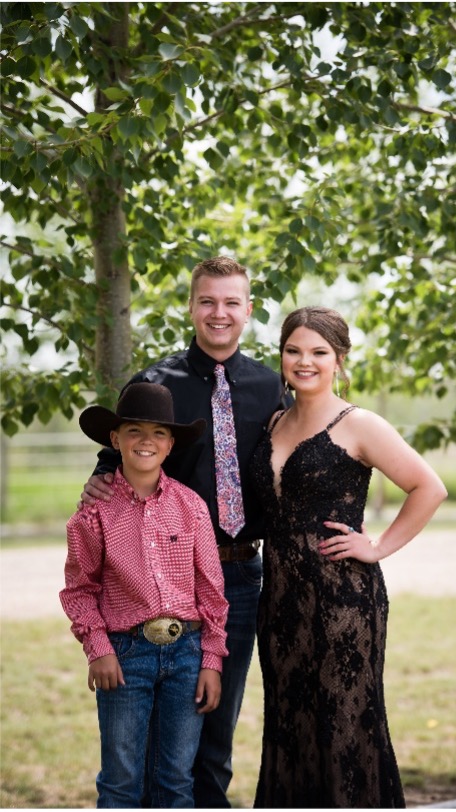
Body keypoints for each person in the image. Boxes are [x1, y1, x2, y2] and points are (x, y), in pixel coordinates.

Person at [79, 256, 292, 808]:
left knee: (214, 726)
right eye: (207, 301)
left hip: (238, 574)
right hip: (163, 581)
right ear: (192, 306)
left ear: (249, 310)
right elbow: (116, 462)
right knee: (151, 740)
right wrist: (96, 484)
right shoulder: (155, 384)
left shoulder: (272, 387)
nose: (219, 313)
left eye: (231, 302)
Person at [250, 306, 448, 809]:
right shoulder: (274, 421)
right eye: (293, 350)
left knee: (344, 728)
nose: (304, 361)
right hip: (279, 605)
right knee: (289, 727)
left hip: (344, 603)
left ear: (339, 359)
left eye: (318, 352)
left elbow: (429, 487)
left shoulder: (359, 424)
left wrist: (377, 547)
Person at [60, 382, 229, 808]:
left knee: (176, 779)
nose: (146, 441)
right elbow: (80, 589)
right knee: (121, 780)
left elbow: (211, 591)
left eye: (158, 433)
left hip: (187, 655)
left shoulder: (191, 507)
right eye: (134, 430)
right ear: (115, 440)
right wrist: (98, 648)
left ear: (170, 445)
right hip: (124, 655)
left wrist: (211, 660)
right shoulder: (93, 514)